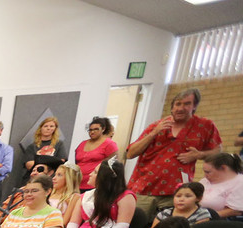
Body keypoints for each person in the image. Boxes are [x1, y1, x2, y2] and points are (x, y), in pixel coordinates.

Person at [126, 88, 223, 216]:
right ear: (172, 108)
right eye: (178, 104)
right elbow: (130, 153)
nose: (181, 108)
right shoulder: (157, 125)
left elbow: (218, 151)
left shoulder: (205, 125)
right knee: (135, 226)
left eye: (187, 104)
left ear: (194, 106)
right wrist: (154, 133)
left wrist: (199, 155)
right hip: (144, 189)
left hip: (177, 192)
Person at [15, 116, 67, 186]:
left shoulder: (59, 144)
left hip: (50, 180)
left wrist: (39, 162)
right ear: (41, 128)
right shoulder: (32, 146)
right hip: (32, 180)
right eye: (46, 126)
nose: (48, 128)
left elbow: (61, 162)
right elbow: (29, 165)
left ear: (55, 129)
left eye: (51, 126)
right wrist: (50, 162)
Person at [74, 117, 118, 190]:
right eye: (90, 130)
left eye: (96, 129)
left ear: (103, 129)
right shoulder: (82, 144)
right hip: (77, 184)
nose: (92, 132)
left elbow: (114, 165)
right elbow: (77, 163)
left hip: (95, 186)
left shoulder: (109, 144)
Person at [199, 152, 243, 219]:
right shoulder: (205, 181)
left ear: (224, 168)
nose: (205, 175)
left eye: (208, 172)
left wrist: (206, 217)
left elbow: (235, 211)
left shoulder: (239, 182)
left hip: (222, 222)